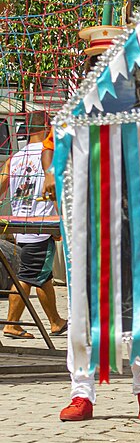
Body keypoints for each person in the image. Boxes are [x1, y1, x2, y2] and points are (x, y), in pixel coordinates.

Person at [40, 25, 140, 423]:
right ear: (88, 68)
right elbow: (50, 159)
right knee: (83, 309)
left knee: (139, 307)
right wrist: (54, 173)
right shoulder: (72, 114)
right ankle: (81, 393)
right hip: (88, 227)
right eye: (97, 63)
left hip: (137, 226)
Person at [0, 111, 67, 342]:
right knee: (28, 276)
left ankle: (56, 321)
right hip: (42, 225)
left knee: (43, 275)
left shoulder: (15, 157)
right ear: (47, 127)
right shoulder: (50, 155)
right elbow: (56, 190)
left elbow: (1, 186)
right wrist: (61, 220)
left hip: (21, 225)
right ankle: (12, 324)